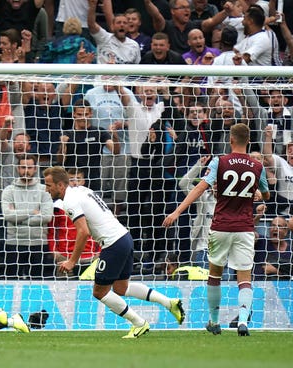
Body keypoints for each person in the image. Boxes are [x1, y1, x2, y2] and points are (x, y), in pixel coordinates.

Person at [44, 166, 185, 339]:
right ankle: (169, 303)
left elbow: (83, 232)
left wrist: (72, 261)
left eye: (48, 185)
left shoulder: (70, 200)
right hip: (124, 237)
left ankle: (139, 323)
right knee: (120, 287)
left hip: (113, 244)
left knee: (99, 292)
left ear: (60, 185)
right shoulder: (82, 190)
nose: (46, 189)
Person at [162, 123, 270, 336]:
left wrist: (177, 212)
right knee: (244, 278)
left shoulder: (219, 162)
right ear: (248, 141)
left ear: (230, 140)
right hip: (245, 228)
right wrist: (258, 195)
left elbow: (199, 187)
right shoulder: (258, 167)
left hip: (220, 226)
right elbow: (266, 195)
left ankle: (214, 321)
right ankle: (244, 322)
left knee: (214, 276)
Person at [2, 155, 54, 279]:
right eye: (23, 167)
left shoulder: (44, 190)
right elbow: (8, 215)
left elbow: (46, 217)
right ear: (17, 168)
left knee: (38, 285)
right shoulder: (9, 190)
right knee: (12, 283)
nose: (26, 171)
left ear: (35, 169)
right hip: (14, 243)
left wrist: (18, 217)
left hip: (38, 243)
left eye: (29, 167)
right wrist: (32, 211)